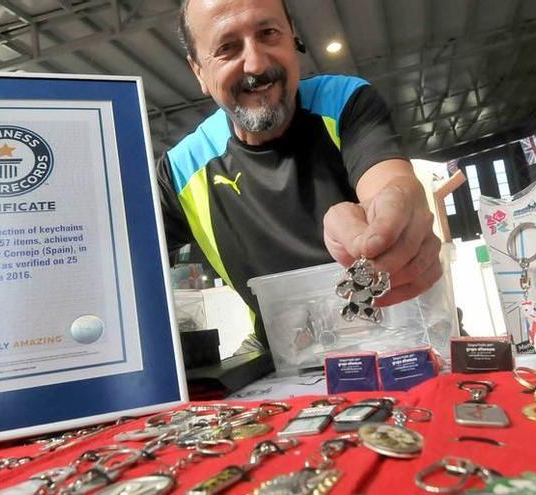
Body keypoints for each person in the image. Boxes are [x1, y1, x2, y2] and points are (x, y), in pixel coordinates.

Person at [157, 0, 442, 349]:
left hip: (400, 333)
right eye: (227, 48)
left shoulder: (345, 101)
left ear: (292, 37)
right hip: (284, 353)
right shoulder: (179, 170)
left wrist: (393, 216)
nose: (257, 63)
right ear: (198, 71)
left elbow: (390, 182)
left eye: (269, 34)